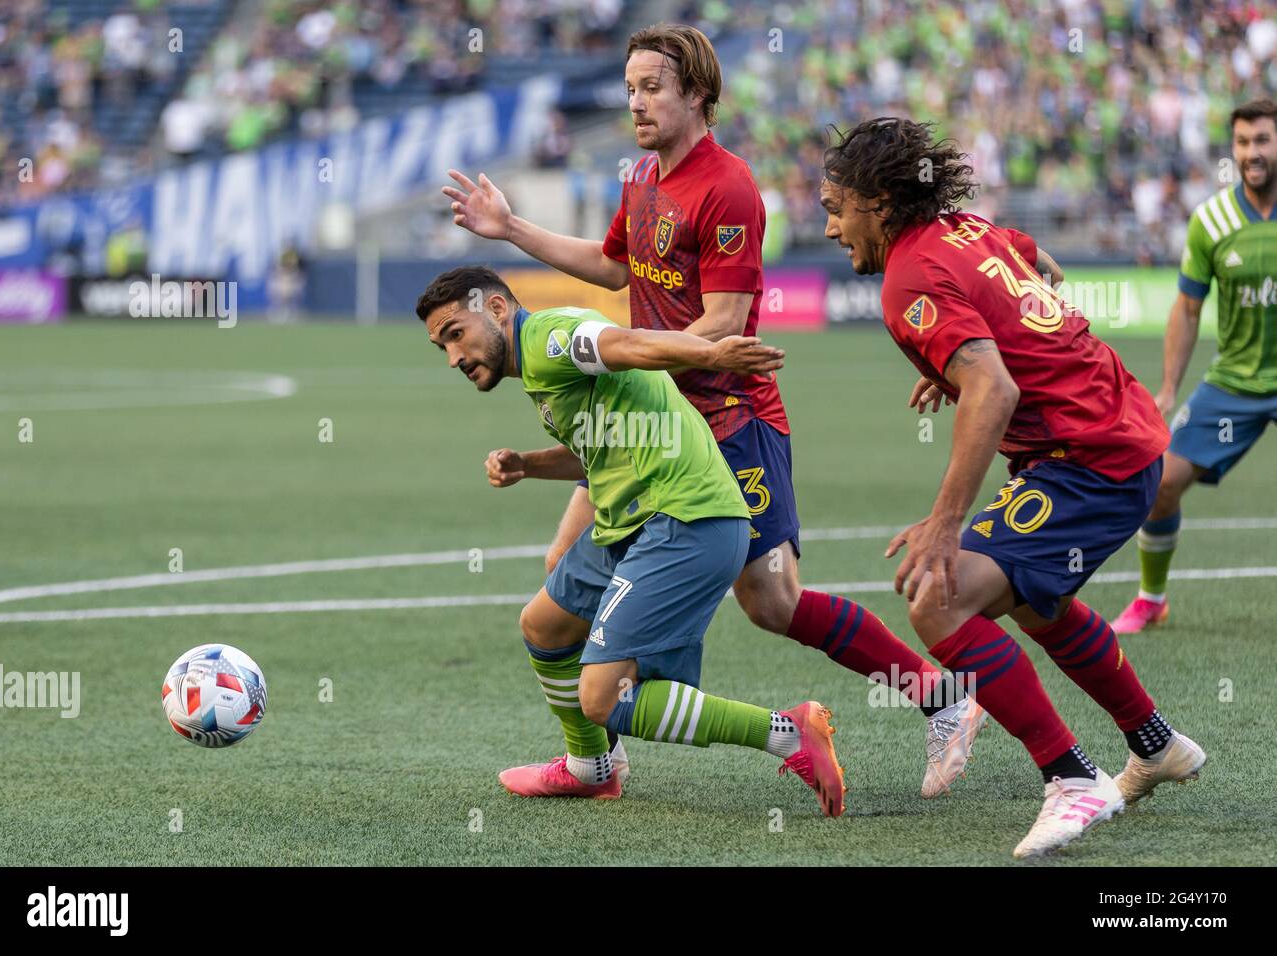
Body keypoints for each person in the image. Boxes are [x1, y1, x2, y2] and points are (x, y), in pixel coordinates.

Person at [443, 23, 985, 800]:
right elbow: (610, 265)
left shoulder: (728, 187)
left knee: (773, 602)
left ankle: (941, 698)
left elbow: (727, 323)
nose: (636, 102)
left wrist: (639, 373)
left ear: (698, 93)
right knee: (562, 574)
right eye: (629, 88)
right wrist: (511, 229)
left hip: (728, 422)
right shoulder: (639, 175)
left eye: (652, 87)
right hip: (651, 421)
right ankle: (595, 761)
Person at [819, 117, 1205, 858]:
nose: (832, 227)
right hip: (1115, 435)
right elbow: (1045, 273)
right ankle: (1154, 745)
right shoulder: (967, 228)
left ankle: (1071, 780)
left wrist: (942, 522)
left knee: (939, 593)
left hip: (1091, 459)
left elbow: (991, 391)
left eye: (838, 208)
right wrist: (965, 363)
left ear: (879, 201)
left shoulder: (908, 279)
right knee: (1033, 603)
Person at [415, 265, 846, 816]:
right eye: (441, 347)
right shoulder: (541, 369)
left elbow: (624, 341)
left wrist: (709, 355)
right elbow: (599, 443)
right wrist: (527, 463)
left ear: (497, 309)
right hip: (631, 521)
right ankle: (590, 768)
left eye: (456, 334)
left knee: (602, 697)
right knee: (543, 625)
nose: (454, 357)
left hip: (686, 518)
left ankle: (789, 734)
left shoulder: (548, 338)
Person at [1113, 99, 1277, 634]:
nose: (1253, 152)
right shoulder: (1213, 220)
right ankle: (1152, 598)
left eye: (1263, 141)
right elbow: (1187, 308)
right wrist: (1166, 388)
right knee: (1160, 482)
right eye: (1244, 142)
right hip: (1234, 384)